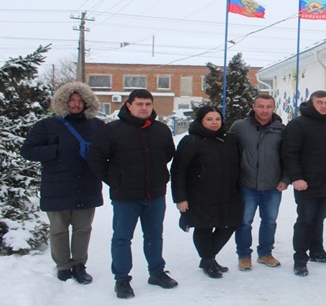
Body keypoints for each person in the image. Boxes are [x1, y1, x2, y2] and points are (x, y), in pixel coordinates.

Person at [87, 89, 177, 299]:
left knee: (154, 235)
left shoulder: (161, 130)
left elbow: (167, 153)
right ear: (129, 105)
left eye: (147, 104)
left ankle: (156, 272)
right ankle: (122, 279)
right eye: (139, 104)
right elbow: (96, 160)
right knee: (122, 238)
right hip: (125, 196)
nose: (144, 108)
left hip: (154, 194)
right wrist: (115, 180)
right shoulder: (112, 130)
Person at [20, 81, 105, 284]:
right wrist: (54, 150)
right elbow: (27, 151)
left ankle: (79, 264)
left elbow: (108, 151)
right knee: (58, 229)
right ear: (62, 102)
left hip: (87, 185)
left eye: (80, 100)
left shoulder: (97, 126)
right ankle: (63, 266)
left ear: (87, 103)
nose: (75, 105)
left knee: (83, 228)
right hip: (57, 186)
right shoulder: (46, 126)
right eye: (71, 100)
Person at [170, 106, 242, 278]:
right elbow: (178, 170)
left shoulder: (229, 140)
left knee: (229, 224)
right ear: (201, 121)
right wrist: (180, 198)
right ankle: (207, 259)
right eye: (209, 119)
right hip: (200, 194)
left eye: (217, 119)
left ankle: (208, 257)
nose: (214, 122)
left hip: (228, 193)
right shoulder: (191, 141)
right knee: (204, 227)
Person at [281, 91, 326, 276]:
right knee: (305, 220)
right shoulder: (297, 125)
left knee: (319, 219)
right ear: (311, 103)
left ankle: (317, 251)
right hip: (306, 183)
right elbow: (289, 154)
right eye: (319, 102)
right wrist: (297, 178)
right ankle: (300, 258)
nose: (323, 106)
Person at [229, 94, 288, 271]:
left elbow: (288, 155)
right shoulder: (239, 127)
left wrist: (286, 178)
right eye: (261, 106)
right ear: (253, 106)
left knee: (269, 221)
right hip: (247, 184)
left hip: (272, 185)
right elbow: (228, 151)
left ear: (273, 108)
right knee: (244, 222)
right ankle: (244, 255)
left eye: (268, 107)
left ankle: (265, 254)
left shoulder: (281, 130)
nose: (264, 110)